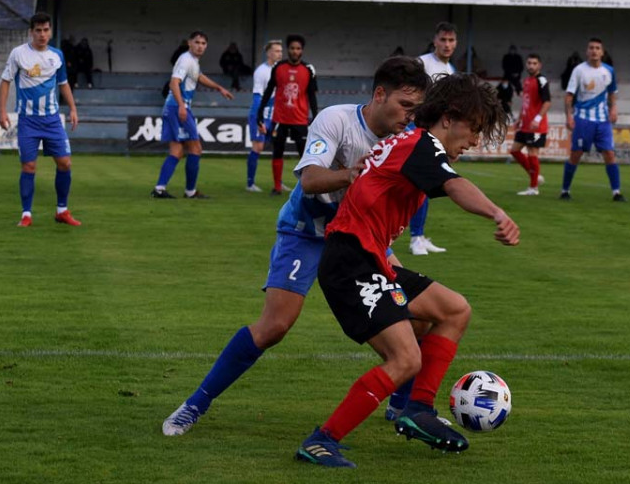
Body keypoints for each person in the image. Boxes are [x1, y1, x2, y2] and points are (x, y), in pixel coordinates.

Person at [161, 56, 431, 437]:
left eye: (416, 110)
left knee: (416, 317)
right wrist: (349, 175)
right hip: (307, 233)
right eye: (405, 106)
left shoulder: (405, 139)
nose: (410, 116)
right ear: (380, 94)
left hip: (360, 240)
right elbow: (308, 179)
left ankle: (401, 409)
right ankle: (194, 404)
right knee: (274, 327)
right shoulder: (336, 120)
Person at [295, 73, 519, 469]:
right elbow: (455, 187)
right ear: (448, 119)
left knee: (454, 309)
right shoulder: (421, 144)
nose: (474, 141)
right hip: (351, 262)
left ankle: (417, 409)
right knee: (405, 360)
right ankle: (321, 440)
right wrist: (497, 212)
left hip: (370, 259)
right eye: (474, 129)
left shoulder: (411, 144)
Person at [0, 12, 81, 227]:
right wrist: (2, 111)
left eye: (45, 30)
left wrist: (72, 108)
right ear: (31, 32)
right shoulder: (18, 54)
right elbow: (6, 81)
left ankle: (62, 210)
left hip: (52, 120)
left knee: (65, 163)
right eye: (38, 31)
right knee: (29, 167)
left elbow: (63, 83)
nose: (42, 35)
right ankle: (26, 214)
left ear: (50, 31)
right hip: (28, 121)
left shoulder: (57, 55)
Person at [151, 31, 234, 199]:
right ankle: (190, 191)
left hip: (173, 107)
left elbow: (199, 77)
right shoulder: (186, 60)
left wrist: (219, 88)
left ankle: (159, 189)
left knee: (177, 151)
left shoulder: (192, 61)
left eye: (203, 43)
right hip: (177, 108)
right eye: (197, 42)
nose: (200, 46)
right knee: (195, 149)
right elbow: (174, 82)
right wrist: (181, 106)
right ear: (189, 43)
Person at [410, 21, 457, 256]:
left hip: (433, 132)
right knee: (416, 184)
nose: (447, 45)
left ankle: (418, 236)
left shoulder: (452, 71)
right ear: (435, 40)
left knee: (424, 187)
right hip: (415, 128)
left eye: (451, 41)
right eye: (443, 40)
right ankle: (413, 238)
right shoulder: (422, 63)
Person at [560, 37, 625, 202]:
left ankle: (616, 192)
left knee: (609, 153)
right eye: (591, 48)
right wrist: (568, 116)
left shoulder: (609, 71)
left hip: (603, 120)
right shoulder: (579, 70)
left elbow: (612, 93)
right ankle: (565, 190)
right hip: (583, 119)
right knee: (576, 154)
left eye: (597, 48)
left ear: (602, 52)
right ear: (587, 52)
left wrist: (614, 109)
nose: (594, 51)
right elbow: (569, 96)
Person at [259, 34, 318, 196]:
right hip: (280, 118)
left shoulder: (308, 70)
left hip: (299, 119)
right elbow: (269, 90)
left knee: (305, 155)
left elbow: (312, 96)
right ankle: (277, 187)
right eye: (292, 48)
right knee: (277, 151)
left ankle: (305, 188)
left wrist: (315, 116)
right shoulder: (278, 68)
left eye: (298, 48)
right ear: (288, 50)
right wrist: (260, 112)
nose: (295, 51)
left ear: (302, 51)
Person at [510, 54, 551, 196]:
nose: (531, 66)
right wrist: (519, 119)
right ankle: (535, 176)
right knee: (514, 150)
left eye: (534, 63)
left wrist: (538, 119)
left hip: (536, 126)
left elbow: (547, 102)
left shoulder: (541, 80)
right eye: (529, 63)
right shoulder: (527, 81)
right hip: (525, 124)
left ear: (539, 65)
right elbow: (526, 103)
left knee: (532, 153)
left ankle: (533, 188)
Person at [246, 40, 282, 192]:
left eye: (280, 51)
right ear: (268, 53)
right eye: (275, 51)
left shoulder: (281, 69)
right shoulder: (261, 71)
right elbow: (257, 96)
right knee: (258, 146)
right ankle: (250, 183)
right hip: (261, 114)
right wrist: (259, 119)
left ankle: (278, 183)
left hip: (275, 115)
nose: (279, 53)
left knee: (277, 147)